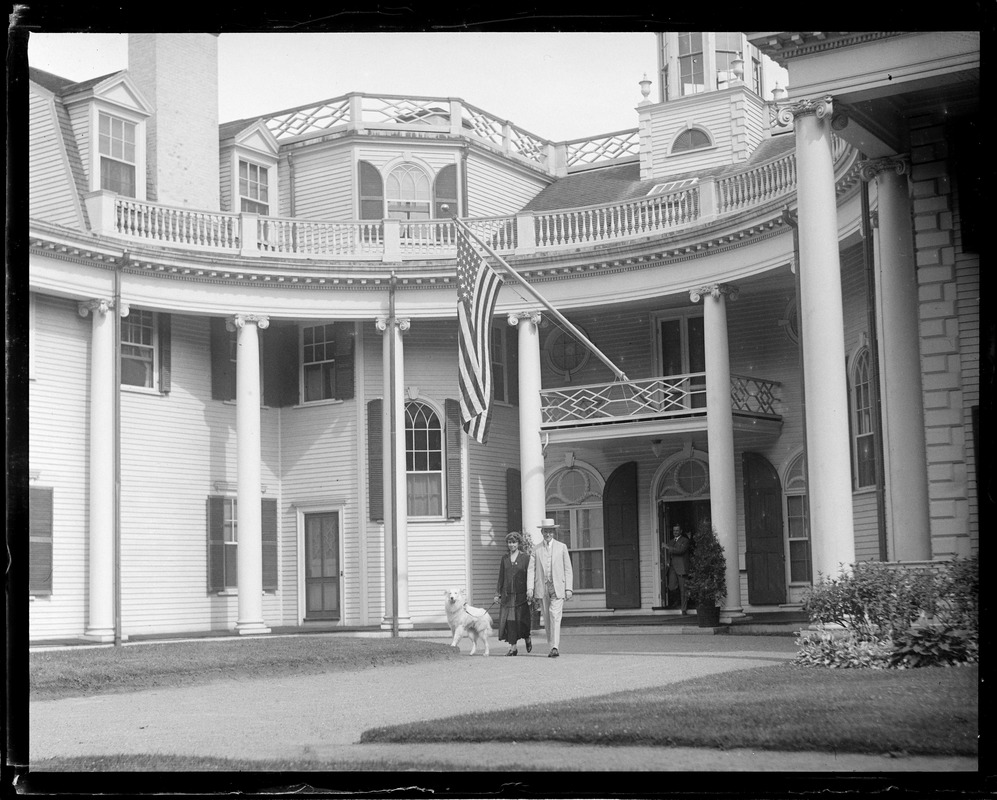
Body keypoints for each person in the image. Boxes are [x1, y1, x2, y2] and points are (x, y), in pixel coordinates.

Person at [526, 518, 573, 657]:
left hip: (557, 586)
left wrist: (569, 588)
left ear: (554, 532)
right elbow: (531, 570)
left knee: (555, 615)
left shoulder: (562, 547)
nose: (548, 534)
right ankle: (551, 645)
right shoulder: (536, 549)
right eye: (545, 531)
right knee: (547, 617)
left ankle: (555, 647)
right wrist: (530, 588)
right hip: (543, 587)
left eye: (550, 531)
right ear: (542, 532)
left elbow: (568, 569)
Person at [493, 532, 533, 656]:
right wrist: (497, 593)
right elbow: (501, 577)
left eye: (514, 542)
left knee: (522, 621)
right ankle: (513, 647)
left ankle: (527, 637)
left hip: (521, 596)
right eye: (510, 542)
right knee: (510, 621)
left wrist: (530, 592)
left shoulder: (525, 558)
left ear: (518, 543)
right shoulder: (504, 558)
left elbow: (530, 576)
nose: (512, 545)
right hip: (508, 596)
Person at [662, 524, 691, 613]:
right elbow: (667, 553)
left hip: (681, 567)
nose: (675, 532)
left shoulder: (685, 541)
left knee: (683, 589)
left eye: (677, 530)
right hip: (672, 568)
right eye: (674, 530)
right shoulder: (671, 541)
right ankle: (678, 601)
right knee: (671, 587)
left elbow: (680, 551)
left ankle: (684, 609)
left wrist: (667, 547)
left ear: (681, 531)